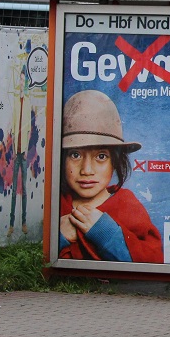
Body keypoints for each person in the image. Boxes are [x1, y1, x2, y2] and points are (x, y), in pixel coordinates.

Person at [58, 90, 162, 263]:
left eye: (101, 157)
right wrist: (59, 236)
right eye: (75, 155)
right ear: (62, 159)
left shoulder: (128, 208)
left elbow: (152, 261)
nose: (87, 170)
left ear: (115, 162)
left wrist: (104, 231)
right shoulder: (54, 205)